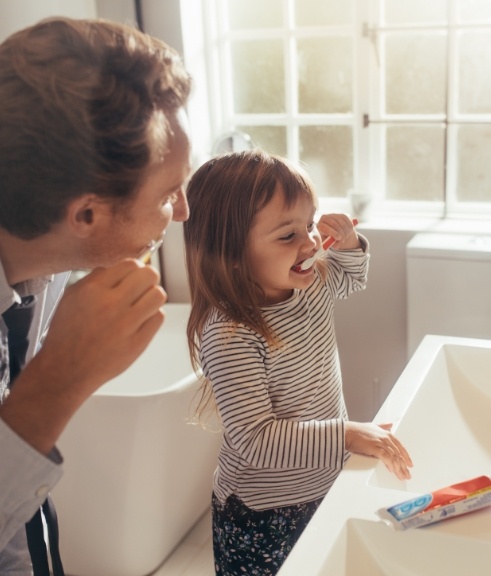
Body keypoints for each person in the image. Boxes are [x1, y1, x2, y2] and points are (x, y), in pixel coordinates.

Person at [0, 16, 192, 574]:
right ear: (85, 214)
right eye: (168, 193)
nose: (182, 211)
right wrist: (63, 374)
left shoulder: (46, 259)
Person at [183, 150, 413, 576]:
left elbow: (350, 275)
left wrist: (349, 243)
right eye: (288, 236)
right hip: (264, 513)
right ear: (231, 252)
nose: (309, 243)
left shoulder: (309, 284)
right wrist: (346, 435)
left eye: (310, 224)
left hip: (321, 483)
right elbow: (256, 439)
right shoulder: (231, 334)